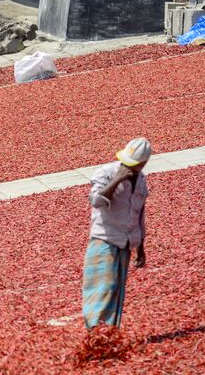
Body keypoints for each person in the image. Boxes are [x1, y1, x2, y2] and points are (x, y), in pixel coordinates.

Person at [82, 137, 151, 329]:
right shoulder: (107, 173)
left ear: (143, 163)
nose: (127, 167)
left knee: (116, 289)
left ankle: (109, 332)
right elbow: (96, 200)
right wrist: (118, 178)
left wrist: (141, 246)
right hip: (104, 239)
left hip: (126, 241)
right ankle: (95, 331)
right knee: (102, 286)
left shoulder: (141, 181)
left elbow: (139, 213)